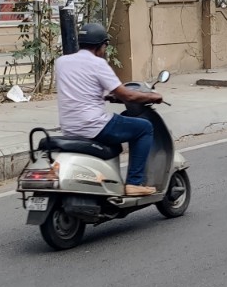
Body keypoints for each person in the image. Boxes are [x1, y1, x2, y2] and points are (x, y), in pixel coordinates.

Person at [54, 23, 164, 197]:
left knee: (123, 123)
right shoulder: (99, 64)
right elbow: (128, 96)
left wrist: (105, 96)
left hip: (70, 127)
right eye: (105, 46)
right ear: (100, 46)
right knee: (144, 128)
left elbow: (80, 88)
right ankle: (134, 183)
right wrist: (153, 97)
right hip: (94, 126)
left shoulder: (61, 62)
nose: (104, 51)